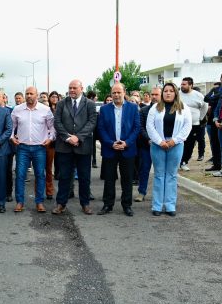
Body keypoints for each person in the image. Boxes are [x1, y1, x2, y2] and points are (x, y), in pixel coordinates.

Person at [52, 80, 97, 215]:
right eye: (70, 88)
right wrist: (68, 137)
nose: (72, 90)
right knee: (64, 176)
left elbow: (92, 122)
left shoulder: (89, 104)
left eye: (74, 88)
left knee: (84, 177)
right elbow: (57, 122)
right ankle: (61, 204)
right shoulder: (61, 104)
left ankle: (85, 204)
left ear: (81, 89)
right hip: (65, 147)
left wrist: (78, 137)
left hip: (83, 146)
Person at [146, 83, 192, 216]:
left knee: (172, 175)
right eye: (165, 91)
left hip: (176, 144)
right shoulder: (155, 108)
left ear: (175, 93)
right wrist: (160, 141)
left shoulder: (184, 108)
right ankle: (157, 205)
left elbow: (187, 126)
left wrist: (174, 141)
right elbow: (150, 126)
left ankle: (170, 205)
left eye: (171, 91)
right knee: (159, 175)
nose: (168, 93)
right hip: (158, 144)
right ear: (162, 93)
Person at [97, 83, 140, 216]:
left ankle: (127, 205)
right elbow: (101, 128)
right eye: (113, 92)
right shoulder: (104, 109)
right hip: (110, 149)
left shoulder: (133, 108)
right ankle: (107, 205)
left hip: (127, 149)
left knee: (127, 179)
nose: (116, 95)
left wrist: (126, 143)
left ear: (124, 92)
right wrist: (111, 143)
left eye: (118, 92)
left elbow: (136, 128)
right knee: (109, 178)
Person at [10, 86, 55, 213]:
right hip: (22, 147)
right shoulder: (17, 110)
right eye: (27, 93)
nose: (29, 96)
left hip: (39, 148)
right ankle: (19, 202)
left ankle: (39, 202)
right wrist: (12, 137)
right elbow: (11, 126)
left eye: (31, 93)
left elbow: (52, 128)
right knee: (20, 175)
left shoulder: (45, 110)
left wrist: (50, 138)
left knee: (40, 175)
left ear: (37, 95)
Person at [135, 86, 162, 202]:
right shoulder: (144, 111)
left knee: (160, 171)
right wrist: (149, 139)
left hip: (162, 146)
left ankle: (160, 194)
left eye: (157, 94)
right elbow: (140, 127)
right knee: (144, 169)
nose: (154, 97)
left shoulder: (167, 111)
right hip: (146, 145)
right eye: (153, 95)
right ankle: (141, 192)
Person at [178, 77, 207, 171]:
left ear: (191, 85)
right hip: (179, 124)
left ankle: (184, 162)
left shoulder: (198, 95)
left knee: (190, 144)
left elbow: (204, 106)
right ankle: (178, 161)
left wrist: (201, 118)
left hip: (194, 124)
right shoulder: (177, 94)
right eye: (181, 84)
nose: (182, 86)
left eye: (184, 84)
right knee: (179, 143)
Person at [46, 91, 60, 199]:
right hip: (47, 141)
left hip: (59, 141)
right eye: (53, 97)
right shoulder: (46, 110)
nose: (54, 98)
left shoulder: (60, 109)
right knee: (47, 167)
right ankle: (48, 190)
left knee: (58, 167)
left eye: (56, 97)